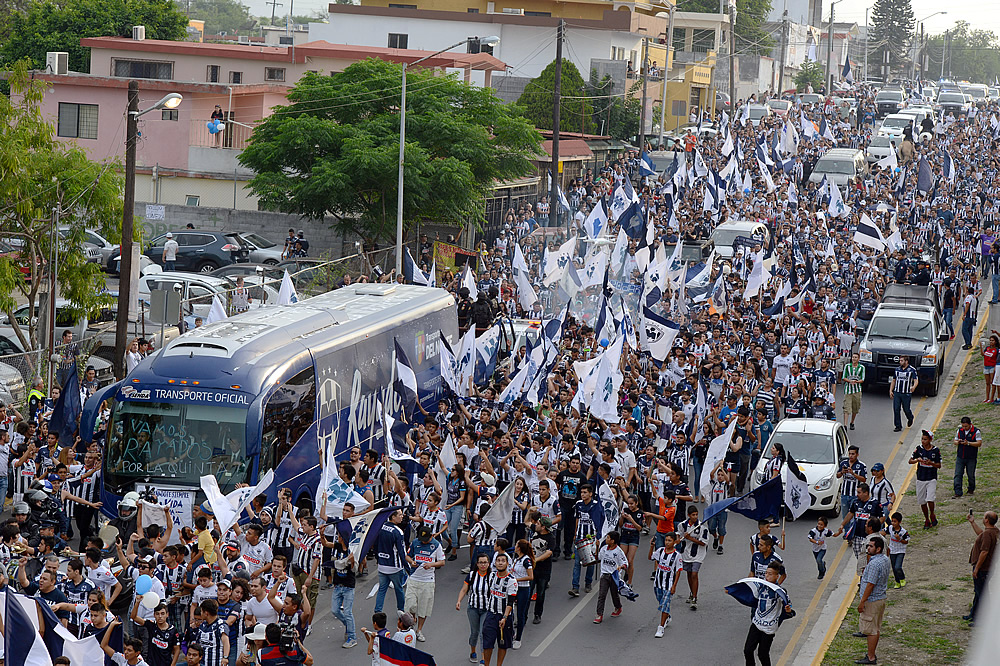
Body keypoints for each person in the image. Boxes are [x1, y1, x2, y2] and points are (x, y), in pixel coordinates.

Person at [727, 561, 794, 666]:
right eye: (766, 573)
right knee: (748, 650)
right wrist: (733, 591)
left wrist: (788, 611)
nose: (767, 576)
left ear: (777, 576)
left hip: (769, 628)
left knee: (762, 654)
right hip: (757, 623)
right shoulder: (760, 587)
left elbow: (788, 607)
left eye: (770, 574)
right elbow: (750, 596)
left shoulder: (780, 591)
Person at [404, 524, 445, 642]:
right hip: (413, 578)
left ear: (431, 536)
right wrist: (411, 561)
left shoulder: (436, 545)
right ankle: (412, 622)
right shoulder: (415, 543)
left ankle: (419, 630)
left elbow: (442, 562)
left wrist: (431, 565)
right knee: (410, 604)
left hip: (427, 581)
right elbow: (407, 556)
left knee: (424, 608)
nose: (424, 542)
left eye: (426, 540)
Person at [855, 536, 890, 665]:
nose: (868, 548)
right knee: (875, 628)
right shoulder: (884, 559)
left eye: (870, 546)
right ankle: (871, 654)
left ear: (878, 548)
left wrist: (862, 601)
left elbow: (870, 584)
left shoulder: (875, 564)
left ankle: (870, 657)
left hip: (872, 601)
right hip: (880, 598)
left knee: (871, 630)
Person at [480, 551, 517, 666]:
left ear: (507, 564)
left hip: (504, 617)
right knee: (487, 642)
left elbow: (510, 602)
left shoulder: (512, 581)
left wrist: (505, 617)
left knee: (503, 643)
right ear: (495, 563)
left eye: (503, 561)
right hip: (491, 615)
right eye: (498, 561)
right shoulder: (491, 576)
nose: (500, 563)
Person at [964, 511, 999, 625]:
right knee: (978, 592)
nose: (983, 518)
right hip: (988, 568)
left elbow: (984, 552)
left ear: (987, 520)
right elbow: (981, 534)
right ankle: (973, 615)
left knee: (982, 594)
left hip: (983, 569)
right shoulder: (994, 532)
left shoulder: (988, 534)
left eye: (984, 517)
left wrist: (977, 568)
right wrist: (972, 523)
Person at [373, 509, 409, 615]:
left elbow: (375, 545)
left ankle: (377, 611)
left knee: (382, 590)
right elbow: (402, 552)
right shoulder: (398, 532)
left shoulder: (380, 527)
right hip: (394, 566)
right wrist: (408, 569)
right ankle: (401, 610)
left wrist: (378, 559)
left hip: (382, 566)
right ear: (393, 517)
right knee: (399, 589)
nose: (402, 517)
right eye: (400, 515)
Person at [675, 505, 709, 610]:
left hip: (698, 554)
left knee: (694, 574)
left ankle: (695, 598)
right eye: (693, 515)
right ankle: (692, 592)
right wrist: (678, 540)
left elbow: (704, 543)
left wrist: (690, 538)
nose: (695, 517)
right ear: (689, 515)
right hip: (686, 553)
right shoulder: (682, 525)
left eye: (696, 515)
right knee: (689, 574)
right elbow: (679, 535)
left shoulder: (702, 527)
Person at [648, 531, 681, 637]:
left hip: (668, 584)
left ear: (674, 542)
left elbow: (678, 571)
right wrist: (651, 547)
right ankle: (667, 616)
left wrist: (674, 586)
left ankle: (661, 627)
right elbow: (650, 558)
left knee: (665, 604)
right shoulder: (661, 551)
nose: (667, 543)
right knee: (661, 602)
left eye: (669, 541)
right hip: (657, 583)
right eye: (666, 540)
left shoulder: (677, 556)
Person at [908, 429, 941, 529]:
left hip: (931, 478)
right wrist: (917, 460)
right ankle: (926, 519)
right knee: (922, 501)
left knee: (930, 498)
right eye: (922, 439)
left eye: (925, 439)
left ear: (930, 440)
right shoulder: (919, 449)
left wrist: (931, 463)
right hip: (921, 478)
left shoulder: (935, 450)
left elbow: (939, 465)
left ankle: (932, 513)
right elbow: (910, 461)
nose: (923, 441)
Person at [593, 530, 627, 624]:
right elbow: (598, 558)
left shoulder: (619, 552)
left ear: (612, 541)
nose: (606, 539)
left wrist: (621, 567)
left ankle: (618, 607)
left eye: (608, 538)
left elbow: (625, 563)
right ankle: (599, 614)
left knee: (614, 594)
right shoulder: (603, 548)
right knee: (602, 595)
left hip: (614, 576)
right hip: (604, 575)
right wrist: (597, 547)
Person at [953, 416, 982, 499]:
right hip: (960, 456)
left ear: (970, 424)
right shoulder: (960, 431)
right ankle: (958, 491)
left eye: (966, 426)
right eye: (963, 426)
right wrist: (958, 442)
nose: (964, 428)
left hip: (971, 457)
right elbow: (954, 441)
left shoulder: (976, 431)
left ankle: (971, 488)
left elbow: (979, 443)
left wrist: (968, 443)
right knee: (958, 474)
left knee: (970, 475)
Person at [836, 445, 867, 526]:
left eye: (853, 454)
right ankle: (846, 534)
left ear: (857, 454)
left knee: (854, 517)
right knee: (845, 516)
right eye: (849, 454)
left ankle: (852, 533)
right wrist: (842, 472)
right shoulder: (844, 463)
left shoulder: (861, 465)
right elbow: (837, 475)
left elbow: (864, 479)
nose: (851, 456)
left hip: (855, 496)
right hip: (844, 495)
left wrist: (853, 473)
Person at [888, 355, 918, 432]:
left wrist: (913, 387)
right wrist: (891, 390)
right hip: (897, 392)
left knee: (906, 409)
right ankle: (898, 426)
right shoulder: (897, 369)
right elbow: (894, 380)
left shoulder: (912, 370)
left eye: (902, 360)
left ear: (906, 361)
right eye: (900, 361)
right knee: (896, 409)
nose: (900, 362)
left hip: (906, 393)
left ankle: (910, 417)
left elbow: (915, 380)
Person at [882, 512, 909, 589]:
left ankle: (902, 578)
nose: (893, 523)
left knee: (898, 566)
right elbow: (883, 531)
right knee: (894, 567)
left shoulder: (903, 532)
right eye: (892, 521)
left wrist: (899, 539)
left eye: (895, 521)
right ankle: (897, 581)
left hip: (900, 551)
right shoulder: (890, 528)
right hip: (892, 550)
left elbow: (906, 541)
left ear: (899, 522)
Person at [841, 352, 864, 429]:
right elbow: (844, 377)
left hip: (857, 390)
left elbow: (862, 379)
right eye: (853, 357)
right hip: (848, 390)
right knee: (847, 407)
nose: (854, 359)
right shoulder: (847, 366)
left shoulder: (862, 368)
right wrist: (850, 381)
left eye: (855, 357)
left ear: (858, 359)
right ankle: (845, 425)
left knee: (855, 407)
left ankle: (852, 422)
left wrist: (856, 382)